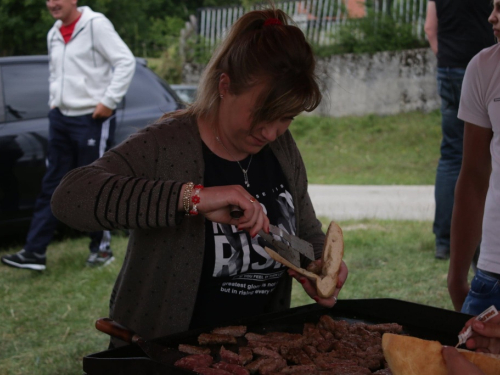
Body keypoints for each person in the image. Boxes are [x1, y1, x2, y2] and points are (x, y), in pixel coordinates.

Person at [50, 7, 348, 346]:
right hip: (164, 355)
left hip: (254, 354)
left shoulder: (281, 147)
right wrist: (192, 198)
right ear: (225, 85)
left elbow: (305, 229)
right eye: (263, 114)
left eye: (287, 117)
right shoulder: (167, 143)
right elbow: (69, 199)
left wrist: (319, 263)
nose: (270, 132)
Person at [0, 0, 135, 270]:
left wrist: (108, 101)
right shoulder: (53, 33)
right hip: (61, 118)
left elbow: (125, 61)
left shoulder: (96, 25)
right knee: (52, 184)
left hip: (91, 119)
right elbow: (55, 73)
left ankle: (102, 250)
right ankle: (35, 252)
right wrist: (54, 101)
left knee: (93, 182)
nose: (52, 3)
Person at [424, 0, 494, 260]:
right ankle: (478, 241)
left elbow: (430, 29)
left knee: (451, 155)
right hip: (487, 69)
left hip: (448, 67)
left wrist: (447, 61)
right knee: (483, 158)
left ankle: (444, 242)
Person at [448, 0, 500, 315]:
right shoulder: (484, 67)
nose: (492, 16)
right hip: (493, 276)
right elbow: (474, 176)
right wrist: (457, 276)